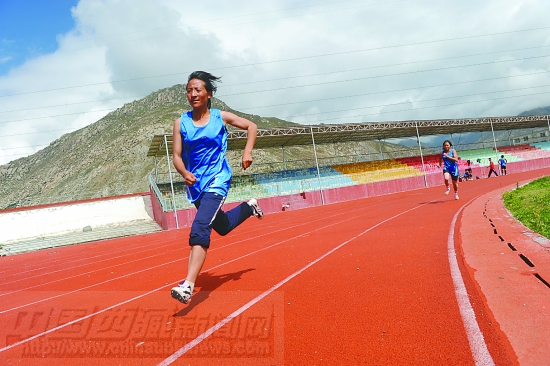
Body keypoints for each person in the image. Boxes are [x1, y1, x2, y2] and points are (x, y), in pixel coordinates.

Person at [170, 71, 264, 305]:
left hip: (217, 179)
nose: (193, 94)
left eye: (198, 89)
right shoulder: (180, 122)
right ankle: (249, 207)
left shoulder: (219, 116)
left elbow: (251, 126)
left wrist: (247, 151)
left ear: (209, 94)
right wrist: (183, 172)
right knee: (221, 226)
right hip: (196, 184)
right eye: (189, 90)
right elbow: (177, 155)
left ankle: (188, 285)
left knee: (201, 226)